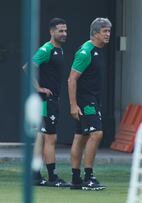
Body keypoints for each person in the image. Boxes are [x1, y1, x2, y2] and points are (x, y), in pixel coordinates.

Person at [67, 17, 112, 190]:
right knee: (97, 134)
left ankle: (76, 179)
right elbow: (71, 79)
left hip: (92, 99)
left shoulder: (98, 50)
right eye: (104, 31)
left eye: (108, 31)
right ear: (95, 34)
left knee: (81, 136)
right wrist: (73, 105)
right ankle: (88, 177)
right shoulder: (86, 52)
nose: (108, 34)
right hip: (86, 100)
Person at [31, 18, 69, 187]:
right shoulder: (46, 49)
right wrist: (38, 88)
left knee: (42, 137)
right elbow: (28, 67)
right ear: (52, 32)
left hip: (52, 100)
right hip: (46, 101)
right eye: (60, 31)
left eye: (65, 31)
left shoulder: (59, 50)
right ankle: (52, 177)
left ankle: (36, 176)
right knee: (50, 138)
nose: (64, 34)